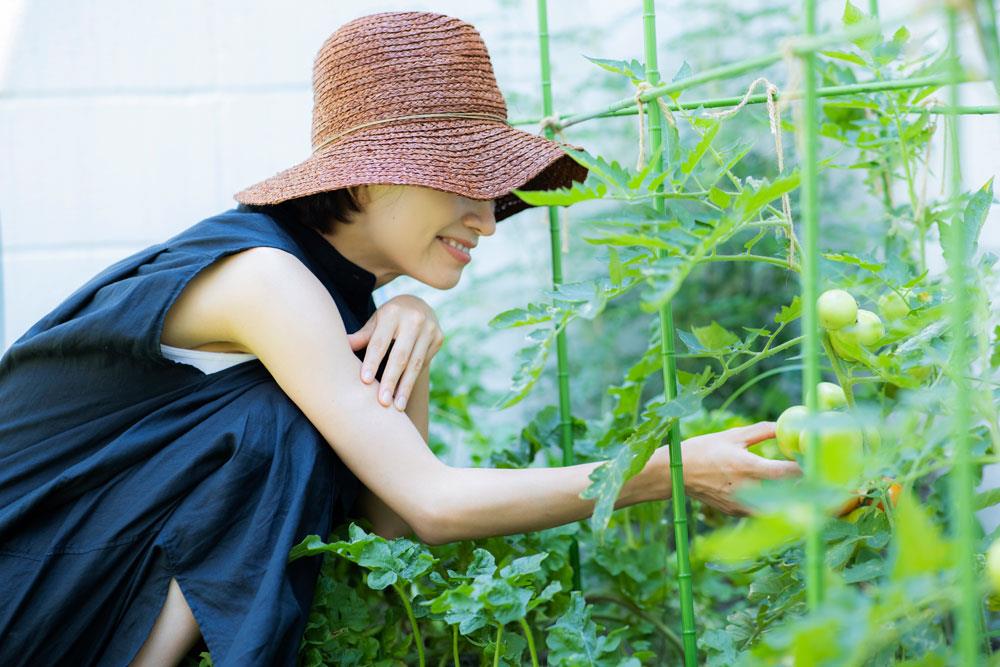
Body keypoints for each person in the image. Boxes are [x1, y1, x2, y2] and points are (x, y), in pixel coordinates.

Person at [0, 10, 800, 667]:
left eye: (497, 190)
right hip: (22, 573)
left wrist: (413, 325)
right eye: (465, 181)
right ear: (369, 174)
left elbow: (385, 517)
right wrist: (674, 469)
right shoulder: (268, 282)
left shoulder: (336, 293)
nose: (489, 219)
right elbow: (431, 504)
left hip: (69, 577)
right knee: (275, 417)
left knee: (290, 417)